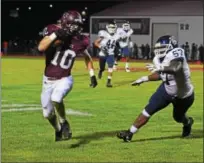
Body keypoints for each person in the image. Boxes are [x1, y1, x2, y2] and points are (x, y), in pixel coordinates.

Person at [117, 35, 194, 142]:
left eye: (162, 48)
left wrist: (161, 67)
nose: (159, 51)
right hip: (166, 90)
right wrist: (144, 78)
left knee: (178, 117)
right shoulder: (157, 59)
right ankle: (129, 133)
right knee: (148, 110)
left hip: (183, 94)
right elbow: (160, 75)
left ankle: (187, 122)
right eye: (158, 48)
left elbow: (176, 68)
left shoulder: (176, 53)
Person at [38, 10, 98, 142]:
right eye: (74, 25)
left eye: (78, 25)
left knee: (56, 98)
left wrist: (92, 74)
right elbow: (41, 47)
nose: (77, 28)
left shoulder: (80, 40)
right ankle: (58, 130)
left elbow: (87, 57)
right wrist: (56, 35)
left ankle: (64, 122)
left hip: (65, 78)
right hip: (47, 80)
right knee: (47, 114)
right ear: (66, 23)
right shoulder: (53, 30)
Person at [94, 20, 126, 87]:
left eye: (113, 27)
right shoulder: (104, 34)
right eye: (110, 27)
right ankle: (100, 71)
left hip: (110, 54)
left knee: (110, 67)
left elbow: (116, 43)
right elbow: (96, 42)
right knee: (102, 68)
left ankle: (108, 82)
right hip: (102, 54)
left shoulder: (117, 35)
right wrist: (101, 47)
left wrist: (119, 51)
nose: (112, 29)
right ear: (107, 27)